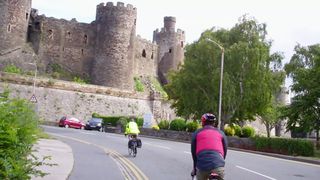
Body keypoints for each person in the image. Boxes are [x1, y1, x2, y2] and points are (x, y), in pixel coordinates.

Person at [191, 113, 227, 180]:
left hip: (202, 166)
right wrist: (220, 162)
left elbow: (194, 153)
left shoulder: (197, 133)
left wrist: (194, 169)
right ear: (214, 123)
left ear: (203, 122)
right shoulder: (221, 133)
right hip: (218, 165)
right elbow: (224, 150)